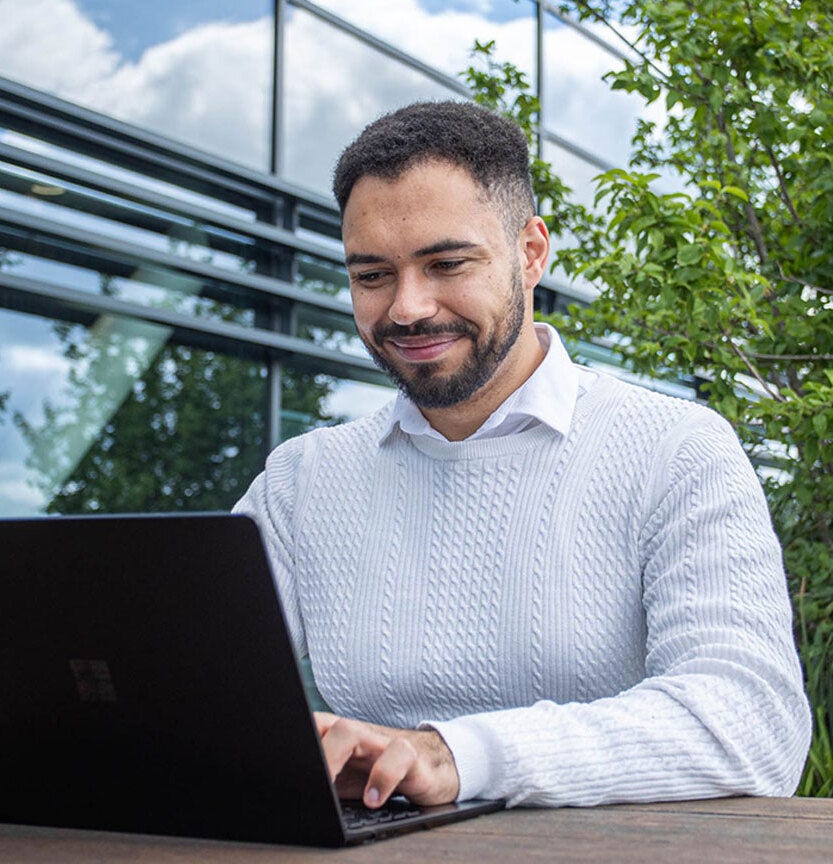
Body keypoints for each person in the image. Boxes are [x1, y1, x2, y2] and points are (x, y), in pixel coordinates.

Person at [234, 100, 811, 811]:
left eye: (446, 263)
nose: (407, 308)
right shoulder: (302, 479)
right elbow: (188, 680)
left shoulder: (675, 450)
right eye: (372, 276)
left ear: (531, 253)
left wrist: (460, 755)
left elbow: (751, 725)